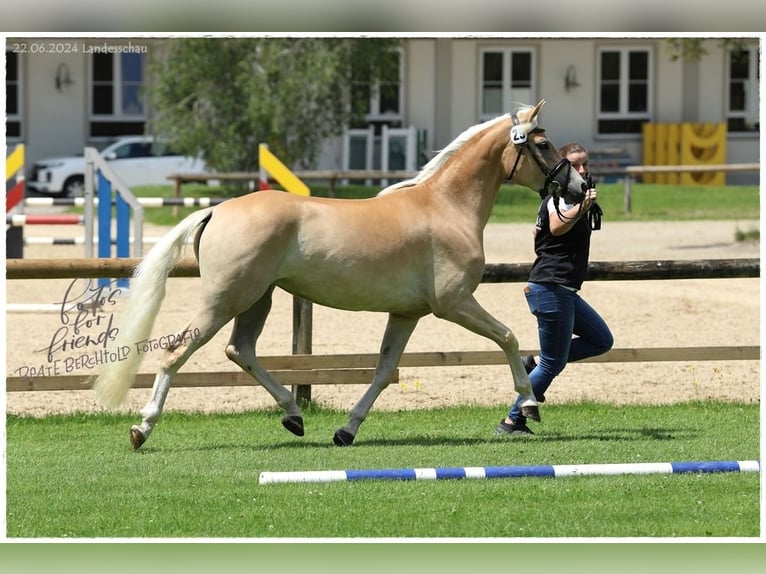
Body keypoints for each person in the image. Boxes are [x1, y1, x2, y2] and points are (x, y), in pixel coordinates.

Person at [496, 142, 613, 436]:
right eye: (575, 165)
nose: (582, 170)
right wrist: (582, 208)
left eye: (585, 164)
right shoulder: (559, 196)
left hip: (563, 290)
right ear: (561, 167)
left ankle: (533, 363)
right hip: (550, 288)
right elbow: (557, 226)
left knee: (600, 340)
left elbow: (543, 232)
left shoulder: (570, 197)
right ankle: (512, 421)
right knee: (553, 363)